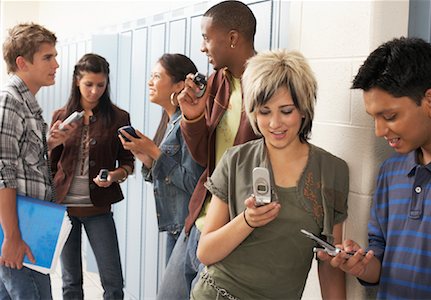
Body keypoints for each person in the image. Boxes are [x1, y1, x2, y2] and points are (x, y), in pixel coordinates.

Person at [190, 49, 349, 299]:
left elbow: (329, 263)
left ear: (304, 110)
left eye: (286, 111)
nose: (275, 123)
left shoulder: (332, 171)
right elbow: (206, 252)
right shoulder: (235, 161)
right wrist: (247, 220)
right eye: (264, 112)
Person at [318, 37, 431, 299]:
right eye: (374, 118)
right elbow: (380, 258)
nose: (379, 131)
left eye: (389, 117)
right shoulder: (390, 173)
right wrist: (362, 265)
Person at [156, 1, 259, 299]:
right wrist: (192, 116)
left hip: (233, 224)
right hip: (200, 214)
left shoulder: (269, 83)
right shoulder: (215, 82)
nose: (202, 47)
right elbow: (204, 157)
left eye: (206, 37)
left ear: (232, 38)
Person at [48, 53, 134, 300]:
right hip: (65, 210)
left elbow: (127, 163)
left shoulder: (119, 118)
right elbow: (51, 166)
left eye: (101, 85)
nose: (95, 91)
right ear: (77, 81)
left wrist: (114, 175)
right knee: (70, 282)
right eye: (89, 84)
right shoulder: (60, 116)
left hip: (99, 210)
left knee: (113, 282)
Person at [119, 53, 204, 262]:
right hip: (176, 226)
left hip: (188, 228)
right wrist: (146, 158)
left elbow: (195, 184)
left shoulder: (186, 126)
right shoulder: (168, 122)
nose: (150, 82)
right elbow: (167, 179)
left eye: (156, 76)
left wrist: (155, 152)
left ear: (179, 85)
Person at [0, 22, 58, 299]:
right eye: (48, 57)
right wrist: (12, 237)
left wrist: (50, 144)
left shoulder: (28, 105)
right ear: (22, 63)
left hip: (29, 228)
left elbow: (21, 159)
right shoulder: (9, 102)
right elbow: (3, 173)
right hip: (20, 232)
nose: (56, 64)